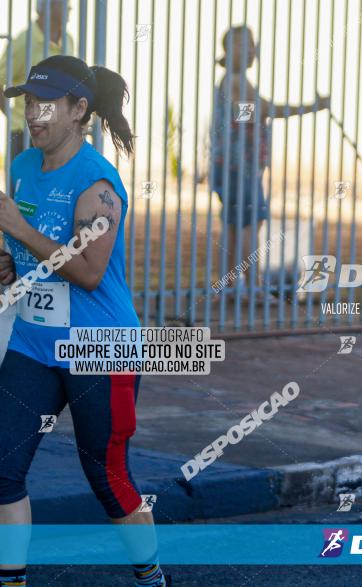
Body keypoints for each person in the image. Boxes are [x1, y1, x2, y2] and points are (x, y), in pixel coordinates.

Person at [0, 55, 169, 587]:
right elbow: (26, 256)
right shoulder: (23, 165)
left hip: (101, 347)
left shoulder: (98, 182)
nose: (34, 113)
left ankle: (150, 575)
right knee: (2, 469)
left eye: (46, 103)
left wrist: (19, 230)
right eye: (29, 101)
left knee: (107, 475)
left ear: (79, 110)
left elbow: (90, 270)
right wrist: (9, 263)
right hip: (33, 342)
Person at [210, 25, 330, 298]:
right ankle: (254, 288)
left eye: (252, 44)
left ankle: (229, 286)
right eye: (244, 45)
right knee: (249, 223)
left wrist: (310, 107)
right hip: (239, 168)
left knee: (233, 223)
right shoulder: (234, 81)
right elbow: (258, 111)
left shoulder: (236, 80)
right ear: (229, 52)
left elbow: (265, 109)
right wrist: (310, 107)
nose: (251, 50)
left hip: (232, 167)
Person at [0, 0, 75, 161]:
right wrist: (12, 116)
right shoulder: (24, 41)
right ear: (46, 8)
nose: (70, 8)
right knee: (24, 184)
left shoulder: (68, 40)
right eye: (63, 4)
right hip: (25, 132)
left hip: (58, 133)